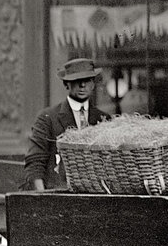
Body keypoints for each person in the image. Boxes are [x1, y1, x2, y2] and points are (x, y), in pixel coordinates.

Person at [23, 58, 112, 191]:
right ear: (67, 84)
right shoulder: (48, 118)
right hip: (59, 196)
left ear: (93, 84)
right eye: (77, 81)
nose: (82, 85)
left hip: (96, 197)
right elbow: (35, 164)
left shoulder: (103, 119)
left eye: (87, 80)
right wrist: (43, 199)